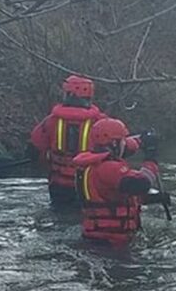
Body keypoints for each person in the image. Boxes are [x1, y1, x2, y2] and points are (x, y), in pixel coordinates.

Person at [30, 75, 138, 205]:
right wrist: (139, 141)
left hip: (59, 185)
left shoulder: (51, 121)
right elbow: (124, 147)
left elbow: (34, 149)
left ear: (70, 94)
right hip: (86, 184)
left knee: (60, 214)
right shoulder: (100, 122)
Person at [73, 118, 160, 245]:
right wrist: (151, 159)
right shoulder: (109, 168)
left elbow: (113, 197)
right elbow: (141, 185)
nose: (125, 144)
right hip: (112, 241)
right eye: (123, 141)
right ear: (114, 143)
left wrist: (141, 140)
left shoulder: (91, 162)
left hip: (97, 236)